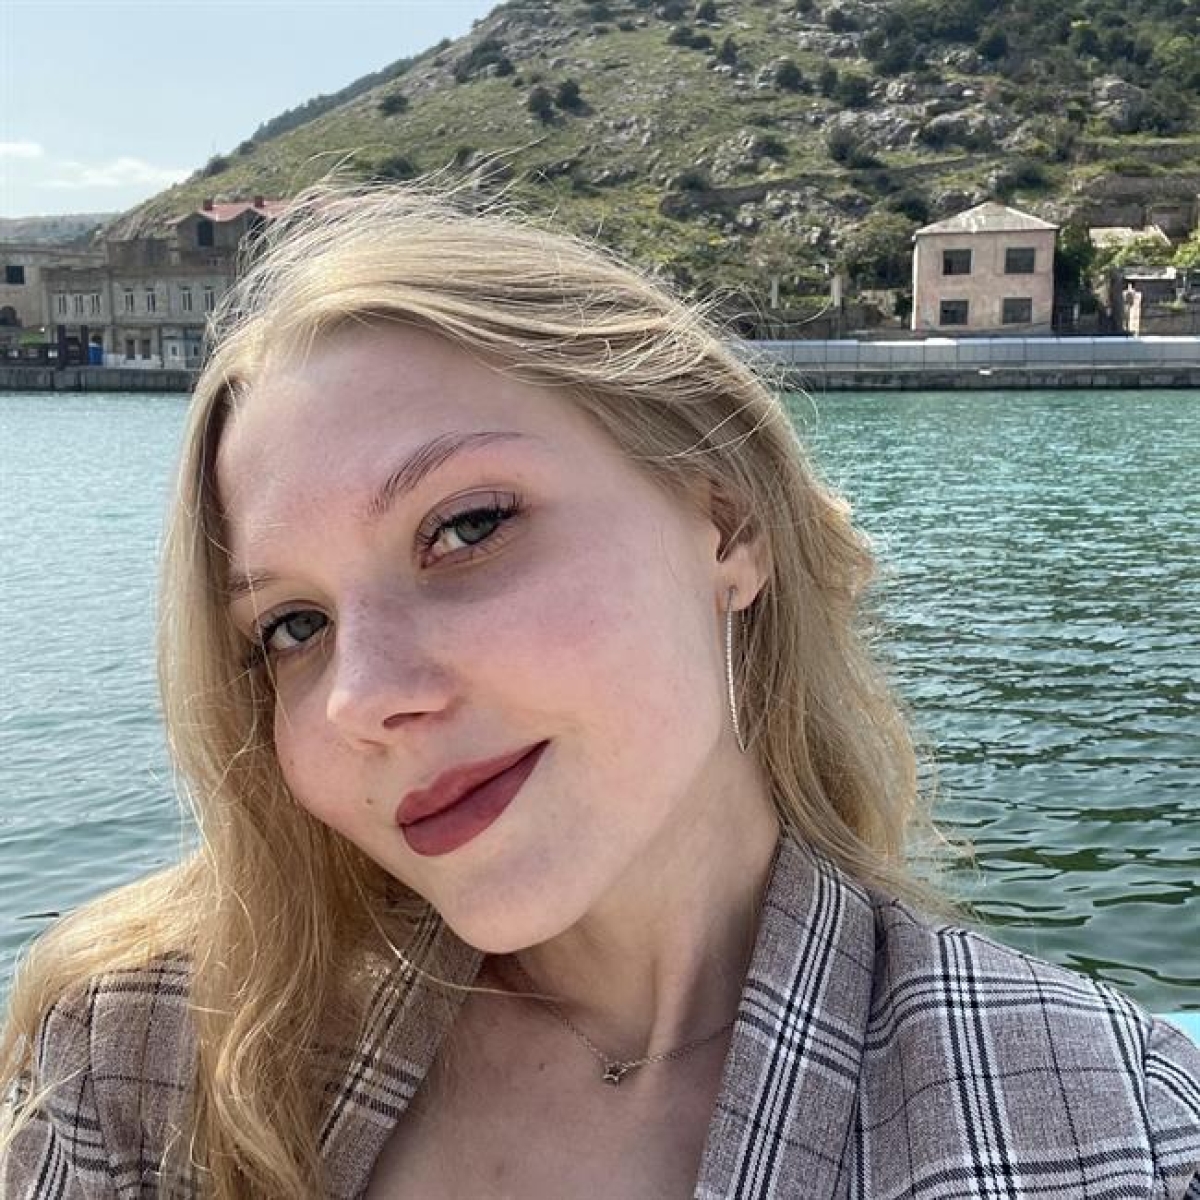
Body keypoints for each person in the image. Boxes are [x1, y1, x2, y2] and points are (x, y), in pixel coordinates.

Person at [2, 183, 1198, 1200]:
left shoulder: (1103, 1136)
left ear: (725, 523)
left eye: (468, 526)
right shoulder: (142, 1068)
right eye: (294, 627)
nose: (363, 696)